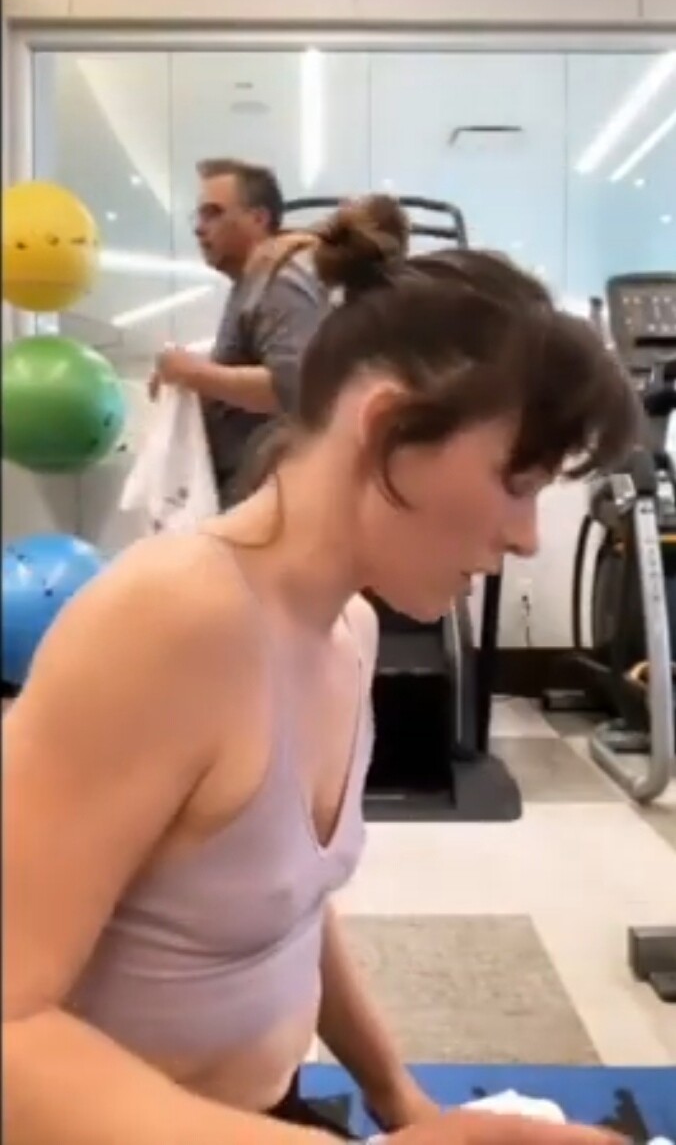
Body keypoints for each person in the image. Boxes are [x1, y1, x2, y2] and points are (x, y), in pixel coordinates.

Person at [4, 201, 639, 1145]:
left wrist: (404, 1104)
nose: (525, 537)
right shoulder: (168, 623)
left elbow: (286, 908)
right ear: (383, 428)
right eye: (518, 484)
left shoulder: (349, 627)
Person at [148, 158, 330, 508]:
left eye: (213, 214)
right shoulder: (251, 284)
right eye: (199, 216)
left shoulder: (280, 281)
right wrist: (191, 383)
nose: (199, 229)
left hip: (273, 498)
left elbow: (292, 387)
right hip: (255, 494)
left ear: (258, 218)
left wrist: (194, 373)